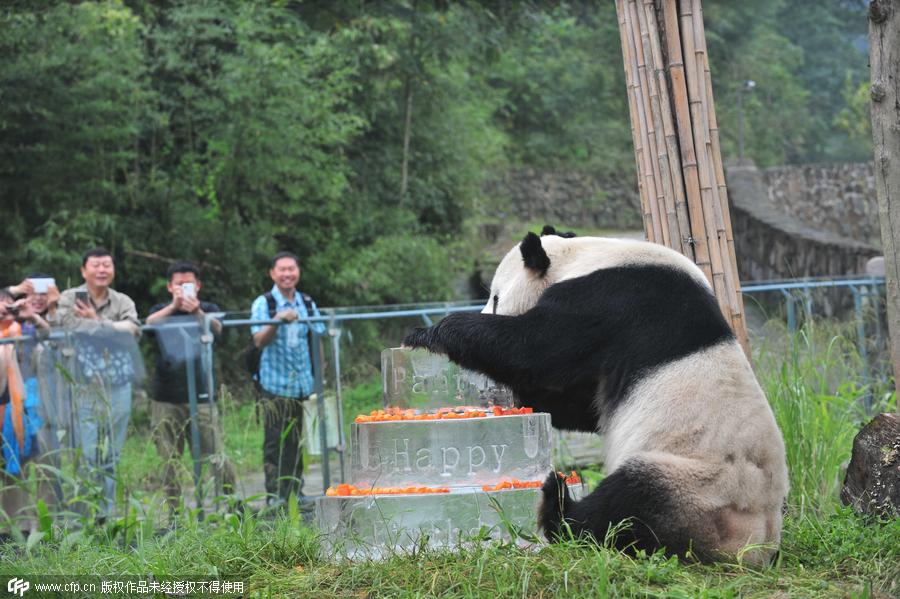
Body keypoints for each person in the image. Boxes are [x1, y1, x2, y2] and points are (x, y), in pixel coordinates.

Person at [57, 247, 141, 521]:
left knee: (111, 456)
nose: (102, 270)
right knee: (86, 455)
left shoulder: (123, 300)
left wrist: (94, 321)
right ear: (84, 270)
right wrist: (111, 328)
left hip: (118, 385)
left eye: (107, 264)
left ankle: (105, 516)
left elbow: (133, 332)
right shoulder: (69, 297)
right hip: (83, 386)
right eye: (96, 265)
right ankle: (81, 517)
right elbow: (68, 326)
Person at [145, 262, 237, 512]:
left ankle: (233, 506)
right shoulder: (160, 310)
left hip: (202, 393)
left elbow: (217, 328)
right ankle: (174, 514)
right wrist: (174, 306)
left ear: (198, 286)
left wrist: (196, 311)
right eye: (179, 284)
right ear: (169, 287)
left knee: (216, 454)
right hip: (166, 396)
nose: (184, 289)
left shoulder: (208, 308)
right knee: (169, 460)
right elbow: (149, 325)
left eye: (189, 284)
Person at [250, 251, 326, 509]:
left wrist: (319, 378)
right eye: (281, 269)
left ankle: (295, 493)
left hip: (303, 384)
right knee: (274, 442)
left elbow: (317, 338)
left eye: (291, 269)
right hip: (274, 384)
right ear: (272, 273)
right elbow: (259, 341)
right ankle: (275, 497)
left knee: (296, 440)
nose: (287, 274)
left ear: (298, 272)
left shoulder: (307, 302)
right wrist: (277, 321)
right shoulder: (264, 303)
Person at [0, 288, 49, 538]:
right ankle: (9, 532)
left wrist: (31, 316)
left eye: (10, 306)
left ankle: (23, 532)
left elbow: (48, 334)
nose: (5, 311)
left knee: (22, 470)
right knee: (8, 471)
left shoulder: (24, 331)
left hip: (23, 411)